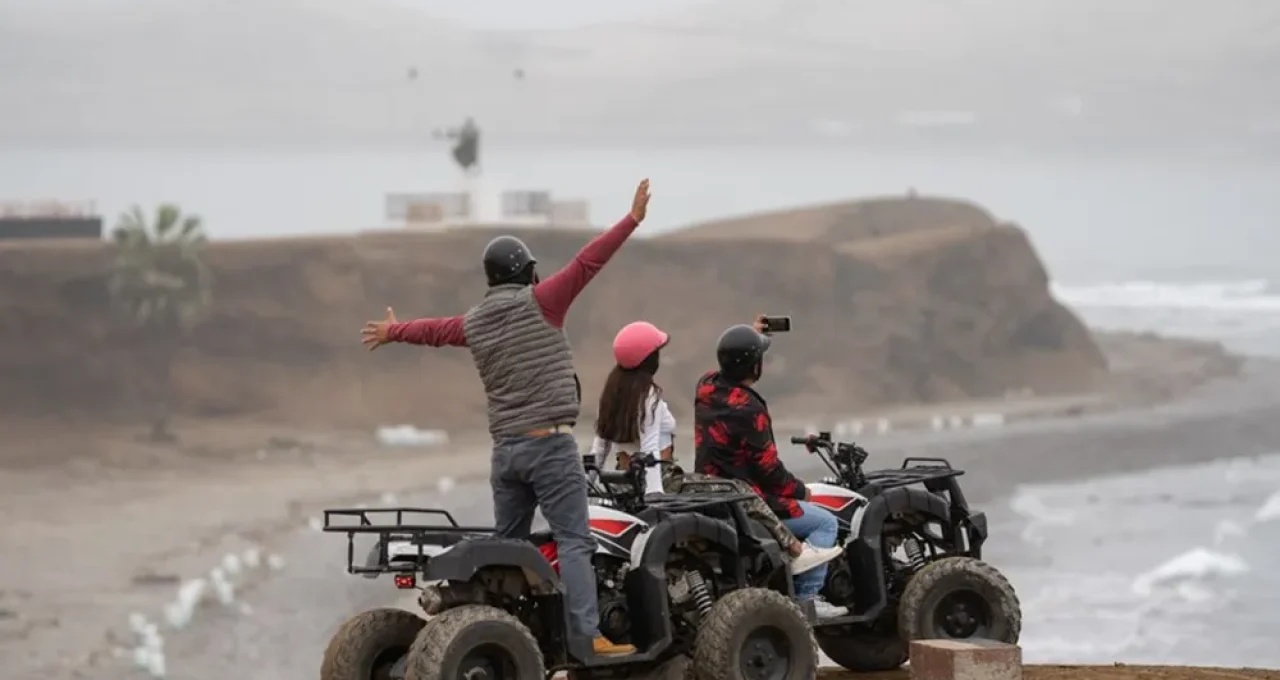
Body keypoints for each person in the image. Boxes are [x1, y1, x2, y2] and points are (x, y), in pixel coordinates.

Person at [360, 179, 651, 656]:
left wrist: (395, 331)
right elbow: (588, 262)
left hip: (506, 453)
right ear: (528, 273)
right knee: (575, 541)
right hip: (549, 448)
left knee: (510, 548)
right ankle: (587, 638)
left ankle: (510, 639)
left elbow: (434, 330)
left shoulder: (474, 322)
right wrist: (632, 219)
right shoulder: (544, 301)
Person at [590, 321, 841, 575]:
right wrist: (656, 501)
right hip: (663, 482)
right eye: (657, 352)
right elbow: (650, 450)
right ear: (648, 359)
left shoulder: (615, 395)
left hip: (625, 482)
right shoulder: (650, 396)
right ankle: (795, 551)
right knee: (739, 489)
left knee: (733, 489)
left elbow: (599, 448)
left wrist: (591, 481)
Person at [693, 317, 845, 616]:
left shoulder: (706, 387)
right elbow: (770, 470)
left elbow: (730, 361)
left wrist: (753, 337)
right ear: (754, 366)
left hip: (715, 495)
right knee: (825, 522)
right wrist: (801, 491)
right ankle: (807, 600)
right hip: (749, 503)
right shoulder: (750, 410)